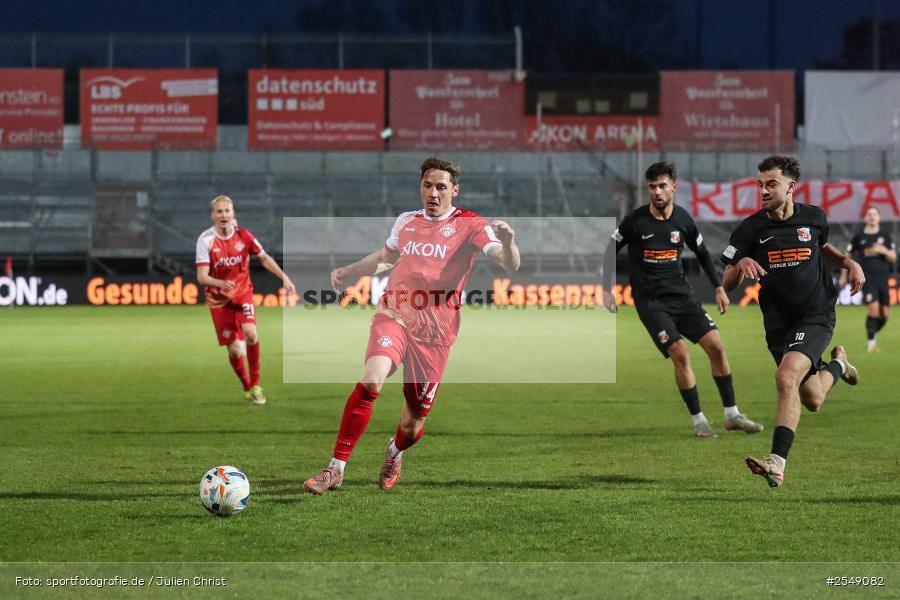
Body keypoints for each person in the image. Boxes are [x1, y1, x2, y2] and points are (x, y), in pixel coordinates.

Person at [304, 157, 520, 494]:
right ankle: (335, 468)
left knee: (413, 422)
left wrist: (507, 243)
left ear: (454, 190)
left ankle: (394, 450)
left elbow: (507, 262)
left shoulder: (471, 224)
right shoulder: (406, 220)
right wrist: (349, 270)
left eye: (441, 187)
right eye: (427, 186)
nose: (433, 193)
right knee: (371, 380)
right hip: (396, 314)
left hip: (435, 333)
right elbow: (385, 257)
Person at [721, 156, 864, 488]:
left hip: (815, 315)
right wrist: (741, 263)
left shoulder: (814, 217)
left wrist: (848, 262)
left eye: (771, 184)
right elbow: (727, 282)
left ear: (790, 186)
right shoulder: (750, 229)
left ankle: (777, 462)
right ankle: (839, 365)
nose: (764, 191)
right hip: (778, 324)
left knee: (786, 377)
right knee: (812, 397)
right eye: (760, 185)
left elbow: (822, 247)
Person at [602, 161, 762, 437]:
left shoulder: (683, 220)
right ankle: (699, 419)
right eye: (652, 187)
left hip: (683, 297)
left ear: (674, 186)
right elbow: (608, 251)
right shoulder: (635, 222)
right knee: (680, 353)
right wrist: (606, 289)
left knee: (717, 347)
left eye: (662, 186)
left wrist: (718, 287)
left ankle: (732, 414)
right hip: (651, 303)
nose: (657, 192)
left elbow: (701, 254)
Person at [196, 195, 296, 405]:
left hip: (242, 293)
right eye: (219, 211)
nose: (223, 215)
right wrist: (220, 283)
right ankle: (247, 386)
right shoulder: (206, 240)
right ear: (212, 215)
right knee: (233, 349)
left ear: (233, 214)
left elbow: (264, 258)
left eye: (227, 211)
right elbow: (202, 276)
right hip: (218, 300)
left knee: (251, 334)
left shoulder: (244, 236)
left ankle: (257, 385)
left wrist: (284, 277)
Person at [842, 207, 896, 352]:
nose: (872, 217)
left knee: (884, 314)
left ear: (878, 218)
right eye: (869, 214)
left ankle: (872, 331)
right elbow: (847, 256)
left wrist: (884, 251)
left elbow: (893, 257)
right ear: (865, 218)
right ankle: (871, 343)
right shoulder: (858, 237)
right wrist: (843, 275)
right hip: (867, 278)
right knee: (873, 310)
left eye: (875, 214)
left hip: (883, 278)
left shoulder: (885, 237)